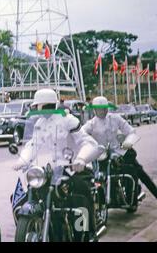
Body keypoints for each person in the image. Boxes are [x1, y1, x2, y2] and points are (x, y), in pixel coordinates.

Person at [13, 88, 101, 240]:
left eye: (44, 105)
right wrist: (23, 160)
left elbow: (88, 142)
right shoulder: (39, 123)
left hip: (73, 168)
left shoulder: (68, 120)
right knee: (27, 195)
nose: (41, 109)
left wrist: (81, 159)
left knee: (81, 197)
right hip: (51, 171)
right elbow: (32, 145)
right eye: (39, 106)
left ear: (52, 104)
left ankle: (88, 234)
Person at [82, 96, 157, 201]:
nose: (101, 111)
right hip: (102, 156)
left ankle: (138, 195)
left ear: (107, 108)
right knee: (92, 176)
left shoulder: (115, 118)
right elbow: (80, 135)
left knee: (137, 170)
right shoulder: (91, 124)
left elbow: (131, 131)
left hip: (119, 152)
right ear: (94, 110)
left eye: (103, 108)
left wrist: (126, 145)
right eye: (98, 109)